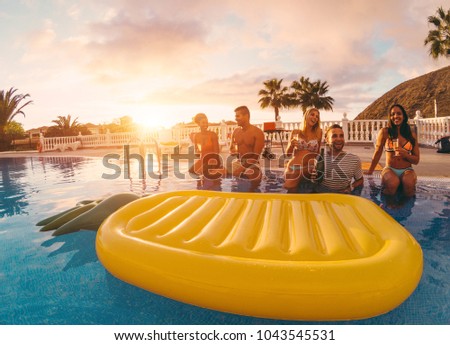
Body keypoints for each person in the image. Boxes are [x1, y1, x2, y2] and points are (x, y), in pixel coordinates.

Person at [366, 104, 420, 197]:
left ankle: (405, 208)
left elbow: (416, 160)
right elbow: (377, 153)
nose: (395, 116)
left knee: (409, 183)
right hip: (390, 169)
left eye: (399, 113)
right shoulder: (385, 132)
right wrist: (370, 171)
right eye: (392, 114)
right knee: (392, 183)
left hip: (407, 170)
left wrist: (405, 155)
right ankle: (388, 206)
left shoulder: (411, 134)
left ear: (403, 116)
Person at [315, 124, 364, 194]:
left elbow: (360, 180)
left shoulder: (354, 160)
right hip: (323, 195)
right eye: (334, 136)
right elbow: (314, 180)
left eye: (341, 136)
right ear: (327, 140)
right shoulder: (319, 158)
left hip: (343, 196)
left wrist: (351, 187)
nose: (339, 139)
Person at [283, 107, 322, 192]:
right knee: (292, 195)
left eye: (317, 116)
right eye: (312, 114)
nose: (315, 118)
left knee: (292, 184)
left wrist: (317, 167)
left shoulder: (319, 133)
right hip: (293, 167)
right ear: (306, 116)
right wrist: (291, 145)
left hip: (308, 168)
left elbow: (318, 153)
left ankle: (292, 181)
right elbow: (288, 154)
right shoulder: (295, 132)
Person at [227, 105, 265, 180]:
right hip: (239, 161)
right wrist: (232, 151)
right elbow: (231, 149)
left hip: (252, 163)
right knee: (219, 173)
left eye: (238, 116)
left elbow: (255, 157)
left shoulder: (257, 133)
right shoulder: (236, 131)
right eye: (235, 116)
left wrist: (241, 168)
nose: (236, 119)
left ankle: (251, 191)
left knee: (254, 175)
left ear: (246, 116)